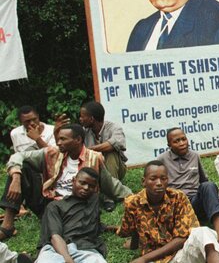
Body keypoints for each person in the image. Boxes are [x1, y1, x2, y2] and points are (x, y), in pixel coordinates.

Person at [0, 124, 131, 241]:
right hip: (50, 203)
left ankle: (87, 227)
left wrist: (134, 197)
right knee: (23, 167)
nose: (58, 142)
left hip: (77, 207)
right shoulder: (53, 153)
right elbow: (18, 156)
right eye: (58, 138)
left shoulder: (94, 158)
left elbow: (110, 184)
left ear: (78, 140)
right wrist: (16, 177)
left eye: (63, 139)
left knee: (68, 226)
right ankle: (7, 226)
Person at [117, 160, 219, 263]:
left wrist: (144, 259)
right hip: (155, 261)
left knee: (203, 232)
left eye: (163, 178)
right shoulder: (133, 203)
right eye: (153, 179)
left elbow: (182, 238)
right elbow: (129, 229)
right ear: (143, 181)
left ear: (168, 180)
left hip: (181, 255)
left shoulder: (178, 198)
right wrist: (134, 245)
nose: (159, 183)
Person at [157, 128, 219, 257]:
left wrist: (212, 194)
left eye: (183, 139)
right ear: (169, 145)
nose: (182, 143)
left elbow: (204, 180)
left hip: (194, 202)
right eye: (176, 141)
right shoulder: (162, 160)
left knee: (208, 186)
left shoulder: (194, 156)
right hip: (177, 205)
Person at [35, 168, 106, 263]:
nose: (86, 188)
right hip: (57, 249)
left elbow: (96, 225)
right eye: (82, 183)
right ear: (73, 180)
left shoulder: (93, 201)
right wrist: (68, 259)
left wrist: (116, 228)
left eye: (91, 186)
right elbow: (55, 236)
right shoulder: (55, 206)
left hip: (85, 250)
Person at [79, 101, 127, 211]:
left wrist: (89, 150)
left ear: (91, 119)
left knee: (110, 152)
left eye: (82, 116)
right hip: (94, 170)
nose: (80, 119)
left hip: (117, 168)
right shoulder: (84, 131)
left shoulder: (114, 128)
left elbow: (115, 143)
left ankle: (109, 197)